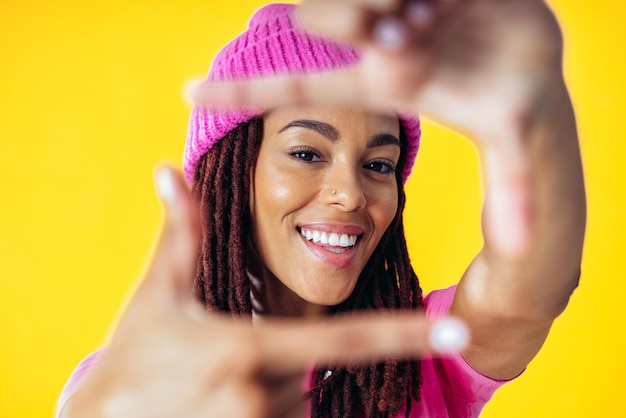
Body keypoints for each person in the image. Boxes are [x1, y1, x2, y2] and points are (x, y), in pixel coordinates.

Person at [58, 1, 586, 417]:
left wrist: (536, 115)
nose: (351, 193)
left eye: (379, 165)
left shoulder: (423, 362)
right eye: (306, 153)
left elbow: (531, 284)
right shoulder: (138, 388)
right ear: (231, 176)